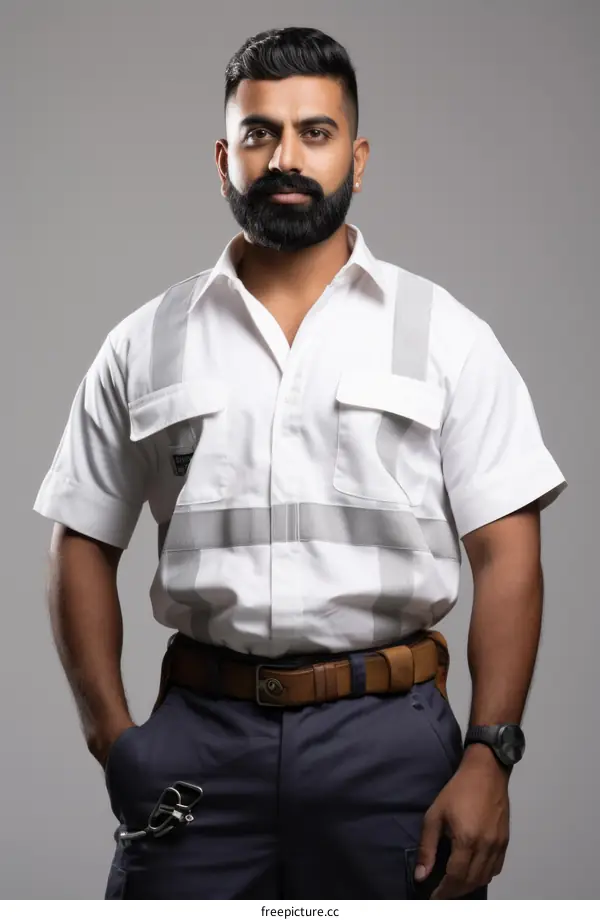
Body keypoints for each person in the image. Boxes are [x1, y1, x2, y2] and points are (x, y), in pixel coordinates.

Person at [33, 26, 567, 900]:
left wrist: (491, 753)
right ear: (223, 157)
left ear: (357, 155)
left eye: (314, 133)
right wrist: (114, 741)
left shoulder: (446, 336)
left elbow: (508, 554)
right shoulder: (144, 342)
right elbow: (80, 541)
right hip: (198, 746)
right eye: (260, 134)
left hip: (394, 751)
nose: (286, 157)